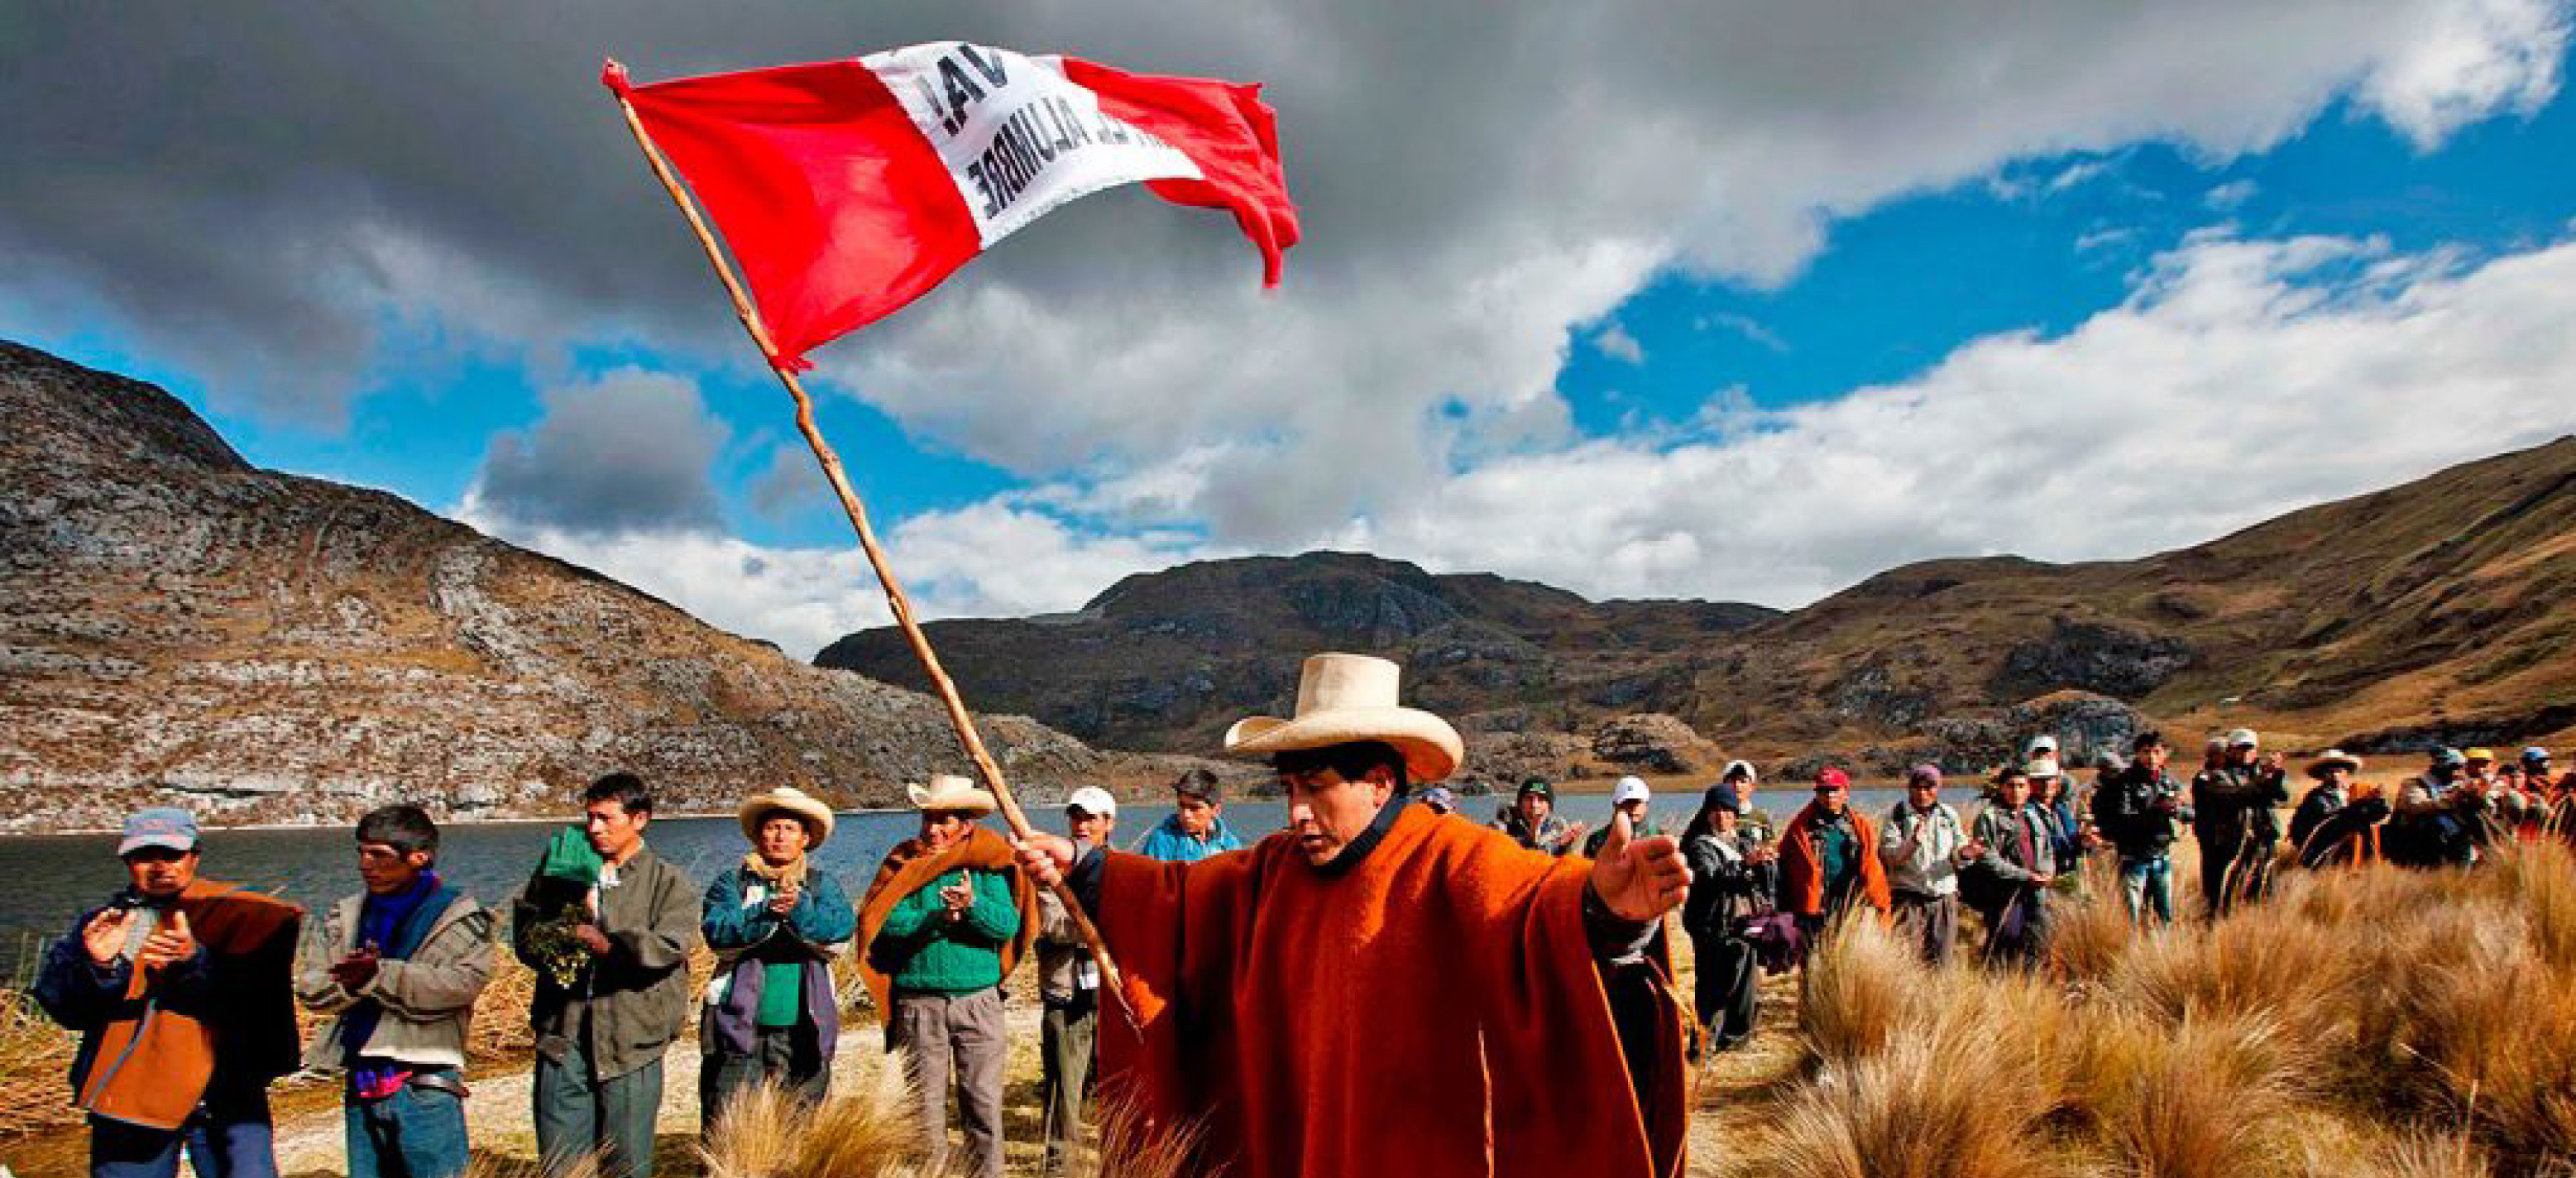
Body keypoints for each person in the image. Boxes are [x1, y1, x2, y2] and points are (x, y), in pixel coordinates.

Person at [1014, 651, 1692, 1178]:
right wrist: (1084, 864)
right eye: (1287, 789)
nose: (1296, 813)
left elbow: (1532, 911)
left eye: (1316, 788)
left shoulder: (1449, 855)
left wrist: (1607, 913)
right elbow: (1178, 900)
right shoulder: (1273, 869)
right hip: (1303, 1139)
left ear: (1380, 782)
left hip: (1419, 1147)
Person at [33, 807, 303, 1178]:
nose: (159, 866)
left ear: (194, 857)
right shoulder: (100, 924)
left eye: (172, 855)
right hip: (129, 1095)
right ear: (127, 861)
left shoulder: (245, 915)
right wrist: (99, 967)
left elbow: (260, 1007)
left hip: (227, 1094)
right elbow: (64, 1009)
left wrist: (194, 964)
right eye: (144, 856)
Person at [513, 773, 701, 1178]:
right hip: (562, 1036)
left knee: (626, 1163)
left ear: (640, 819)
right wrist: (558, 924)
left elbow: (668, 947)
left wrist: (603, 931)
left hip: (631, 1041)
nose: (593, 828)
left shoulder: (669, 883)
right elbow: (526, 940)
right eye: (589, 818)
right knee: (561, 1164)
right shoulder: (562, 872)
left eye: (605, 818)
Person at [296, 805, 495, 1178]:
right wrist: (355, 981)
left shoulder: (459, 916)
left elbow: (461, 985)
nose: (364, 864)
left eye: (379, 855)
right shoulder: (346, 915)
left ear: (420, 858)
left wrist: (379, 975)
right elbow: (310, 988)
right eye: (361, 852)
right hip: (361, 1082)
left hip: (425, 1089)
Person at [858, 773, 1038, 1178]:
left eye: (944, 821)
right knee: (924, 1109)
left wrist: (973, 907)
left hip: (978, 1003)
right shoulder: (904, 864)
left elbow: (1007, 925)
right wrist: (934, 915)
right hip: (920, 1005)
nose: (933, 829)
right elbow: (886, 922)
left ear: (966, 824)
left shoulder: (989, 868)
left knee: (983, 1104)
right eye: (928, 819)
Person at [699, 787, 855, 1135]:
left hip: (804, 1029)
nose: (779, 836)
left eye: (789, 828)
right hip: (738, 1027)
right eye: (771, 827)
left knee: (802, 1125)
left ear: (805, 838)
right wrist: (764, 914)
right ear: (758, 835)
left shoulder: (819, 886)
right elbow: (716, 931)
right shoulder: (731, 884)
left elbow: (842, 927)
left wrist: (800, 911)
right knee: (729, 1123)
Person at [1035, 786, 1118, 1176]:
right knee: (1063, 1092)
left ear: (1108, 824)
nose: (1082, 825)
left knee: (1117, 1090)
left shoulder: (1122, 867)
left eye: (1091, 818)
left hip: (1113, 995)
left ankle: (1119, 1163)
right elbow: (1055, 926)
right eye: (1076, 817)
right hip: (1066, 994)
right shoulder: (1050, 869)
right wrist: (1102, 921)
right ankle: (1059, 1170)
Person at [1679, 788, 1773, 1052]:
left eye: (1727, 811)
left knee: (1746, 984)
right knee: (1713, 987)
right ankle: (1703, 1046)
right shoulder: (1700, 845)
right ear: (1708, 814)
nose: (1722, 816)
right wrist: (1744, 865)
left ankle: (1737, 1039)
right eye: (1716, 810)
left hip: (1742, 923)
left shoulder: (1743, 843)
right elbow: (1709, 877)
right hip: (1711, 926)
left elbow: (1755, 883)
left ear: (1735, 815)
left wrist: (1765, 866)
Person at [1777, 768, 1893, 945]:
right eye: (1823, 790)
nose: (1829, 795)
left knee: (1848, 950)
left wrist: (1878, 904)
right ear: (1816, 794)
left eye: (1834, 790)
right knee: (1812, 955)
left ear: (1846, 793)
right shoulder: (1799, 828)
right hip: (1812, 905)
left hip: (1850, 902)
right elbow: (1785, 867)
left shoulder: (1860, 827)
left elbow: (1872, 869)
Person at [2091, 731, 2193, 925]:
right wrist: (2157, 810)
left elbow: (2190, 812)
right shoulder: (2125, 783)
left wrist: (2177, 809)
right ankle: (2133, 949)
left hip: (2161, 854)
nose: (2151, 758)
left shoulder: (2168, 781)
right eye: (2146, 752)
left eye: (2157, 752)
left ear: (2165, 755)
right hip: (2133, 856)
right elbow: (2124, 818)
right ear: (2137, 754)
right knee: (2132, 915)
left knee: (2164, 915)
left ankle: (2161, 951)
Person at [2191, 729, 2290, 917]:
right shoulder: (2215, 776)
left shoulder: (2259, 771)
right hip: (2225, 846)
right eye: (2240, 749)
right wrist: (2263, 779)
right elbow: (2235, 796)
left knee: (2262, 894)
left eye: (2249, 749)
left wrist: (2277, 775)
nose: (2245, 754)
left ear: (2256, 750)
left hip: (2260, 843)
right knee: (2221, 897)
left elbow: (2284, 795)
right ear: (2230, 750)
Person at [1967, 766, 2060, 967]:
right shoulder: (1989, 817)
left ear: (2028, 789)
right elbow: (1988, 859)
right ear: (2001, 788)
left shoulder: (2034, 815)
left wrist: (2047, 873)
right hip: (2004, 894)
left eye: (2021, 786)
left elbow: (2047, 849)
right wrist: (2025, 876)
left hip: (2036, 891)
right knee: (2004, 945)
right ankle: (1999, 990)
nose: (2016, 791)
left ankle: (2032, 989)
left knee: (2037, 941)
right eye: (2010, 786)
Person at [1878, 764, 1970, 965]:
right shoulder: (1896, 815)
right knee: (1907, 963)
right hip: (1908, 899)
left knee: (1942, 963)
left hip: (1943, 899)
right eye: (1917, 787)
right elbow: (1890, 857)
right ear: (1909, 788)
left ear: (1938, 788)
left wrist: (1967, 853)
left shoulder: (1949, 815)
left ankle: (1939, 996)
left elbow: (1959, 851)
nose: (1922, 793)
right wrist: (1912, 843)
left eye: (1929, 787)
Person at [2388, 748, 2488, 868]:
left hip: (2457, 840)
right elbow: (2416, 806)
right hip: (2422, 842)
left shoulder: (2459, 784)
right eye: (2455, 767)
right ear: (2441, 767)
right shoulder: (2414, 784)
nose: (2459, 771)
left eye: (2461, 767)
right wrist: (2451, 800)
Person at [2288, 750, 2386, 868]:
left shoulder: (2355, 791)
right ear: (2322, 775)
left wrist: (2378, 802)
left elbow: (2377, 814)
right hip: (2323, 850)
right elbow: (2333, 819)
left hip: (2349, 844)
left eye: (2339, 771)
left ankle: (2370, 863)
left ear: (2346, 772)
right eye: (2330, 772)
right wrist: (2362, 803)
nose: (2335, 775)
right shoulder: (2316, 798)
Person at [1132, 768, 1245, 862]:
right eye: (1182, 806)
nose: (1186, 814)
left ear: (1216, 810)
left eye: (1194, 808)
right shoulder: (1162, 840)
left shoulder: (1230, 845)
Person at [1495, 777, 1588, 855]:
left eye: (1541, 800)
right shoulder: (1502, 827)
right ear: (1520, 804)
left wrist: (1569, 842)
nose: (1534, 805)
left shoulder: (1559, 827)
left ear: (1549, 807)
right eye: (1529, 798)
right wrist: (1531, 839)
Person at [1584, 776, 1667, 856]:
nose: (1633, 808)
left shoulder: (1660, 837)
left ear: (1646, 805)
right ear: (1615, 805)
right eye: (1627, 802)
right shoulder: (1596, 840)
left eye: (1637, 802)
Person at [1717, 759, 1772, 844]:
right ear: (1723, 785)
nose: (1737, 785)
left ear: (1752, 786)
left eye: (1743, 781)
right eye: (1732, 781)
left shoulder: (1761, 818)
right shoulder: (1713, 817)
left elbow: (1768, 847)